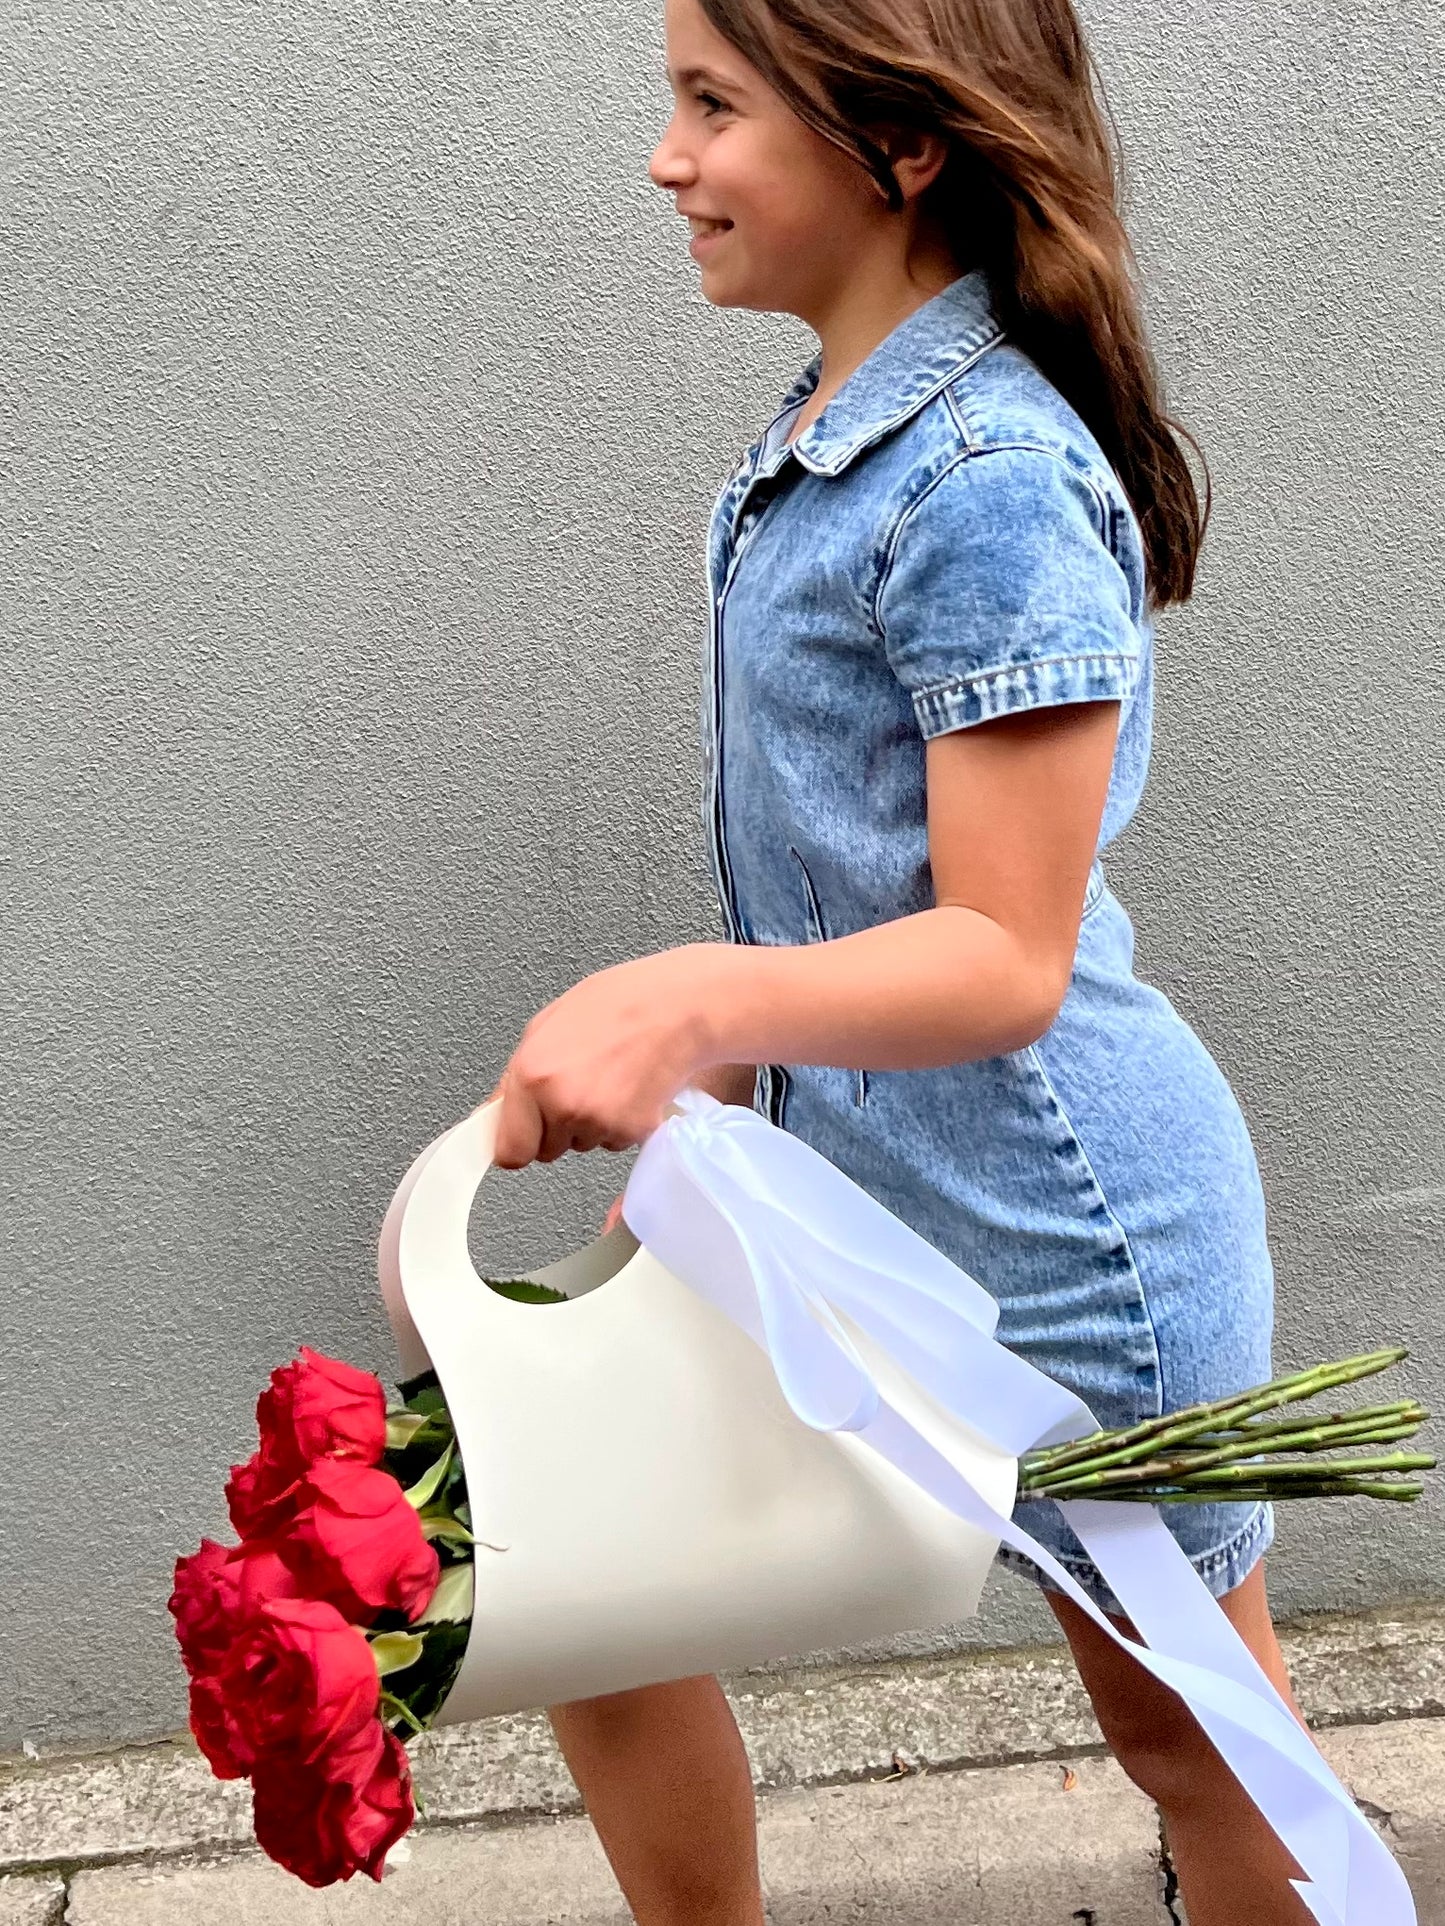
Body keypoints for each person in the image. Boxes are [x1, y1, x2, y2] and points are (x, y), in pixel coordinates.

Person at [482, 0, 1316, 1918]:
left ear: (903, 145)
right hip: (852, 1194)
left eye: (710, 104)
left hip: (1063, 1234)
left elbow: (1006, 956)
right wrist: (738, 1033)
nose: (664, 156)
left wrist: (698, 997)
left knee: (1196, 1737)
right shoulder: (827, 444)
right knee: (583, 1561)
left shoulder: (986, 478)